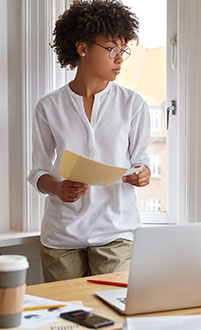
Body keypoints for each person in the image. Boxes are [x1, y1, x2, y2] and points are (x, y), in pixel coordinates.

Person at [28, 0, 150, 282]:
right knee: (67, 321)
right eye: (111, 49)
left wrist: (143, 174)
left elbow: (140, 162)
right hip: (61, 235)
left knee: (113, 314)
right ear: (82, 48)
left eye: (123, 50)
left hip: (116, 230)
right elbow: (38, 173)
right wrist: (57, 188)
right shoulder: (48, 107)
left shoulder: (133, 104)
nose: (119, 58)